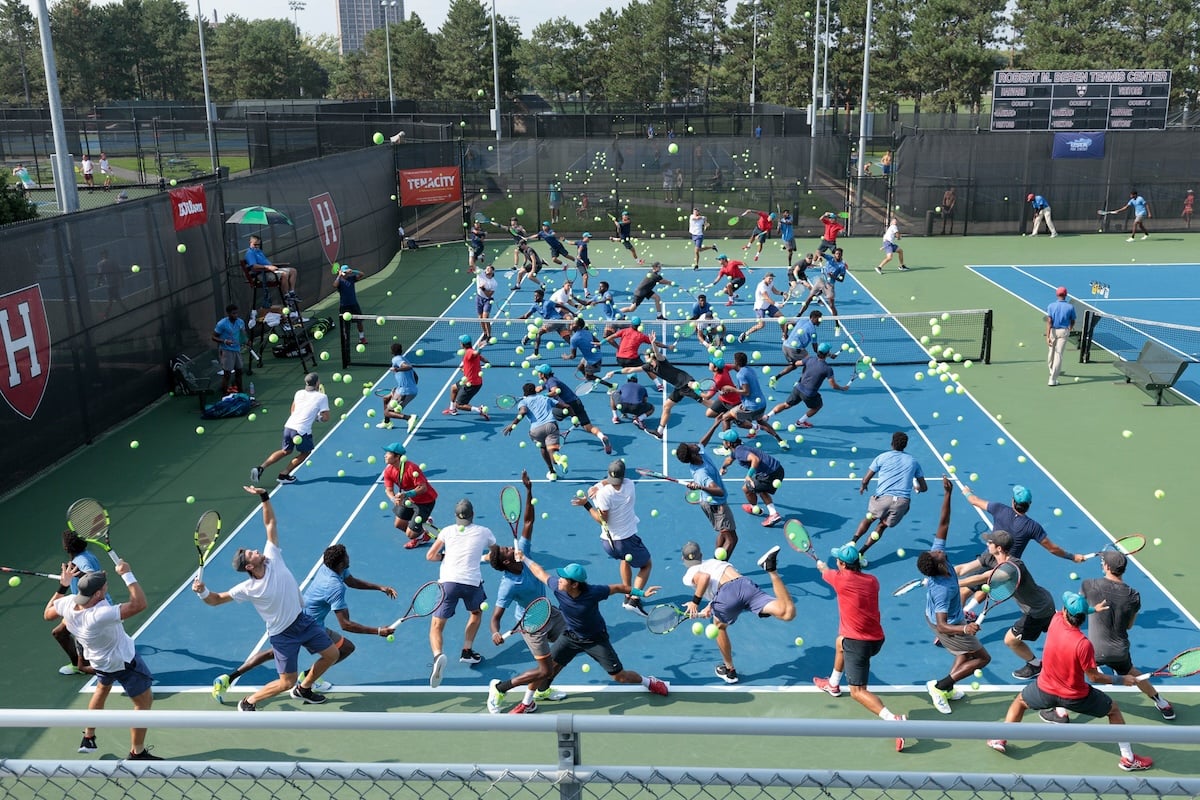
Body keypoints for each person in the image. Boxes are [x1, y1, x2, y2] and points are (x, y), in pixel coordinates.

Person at [194, 486, 340, 710]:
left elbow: (270, 523)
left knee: (332, 654)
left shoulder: (272, 558)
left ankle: (305, 688)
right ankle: (249, 701)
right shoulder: (248, 588)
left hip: (302, 621)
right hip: (282, 635)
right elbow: (215, 600)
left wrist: (264, 497)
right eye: (251, 553)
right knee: (286, 681)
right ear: (250, 565)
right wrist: (203, 591)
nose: (255, 549)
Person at [985, 592, 1153, 771]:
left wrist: (1090, 609)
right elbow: (1094, 677)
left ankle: (1000, 738)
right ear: (1081, 618)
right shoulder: (1083, 644)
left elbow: (1070, 612)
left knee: (1019, 702)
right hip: (1075, 697)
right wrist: (1122, 679)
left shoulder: (1055, 621)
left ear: (1064, 611)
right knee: (1113, 710)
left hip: (1044, 690)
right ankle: (1128, 758)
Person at [210, 544, 398, 703]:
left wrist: (379, 587)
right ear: (341, 563)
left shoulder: (330, 567)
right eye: (347, 557)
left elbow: (351, 580)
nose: (349, 558)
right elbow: (346, 625)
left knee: (273, 653)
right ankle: (304, 685)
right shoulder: (335, 587)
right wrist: (378, 630)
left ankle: (230, 678)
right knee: (343, 649)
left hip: (300, 616)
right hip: (307, 623)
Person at [45, 560, 161, 759]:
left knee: (102, 688)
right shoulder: (99, 615)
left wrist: (63, 585)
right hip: (123, 662)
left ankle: (88, 737)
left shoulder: (69, 603)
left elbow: (48, 614)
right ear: (98, 594)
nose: (106, 585)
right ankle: (137, 752)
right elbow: (139, 604)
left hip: (99, 662)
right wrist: (127, 574)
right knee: (143, 703)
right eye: (104, 585)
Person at [518, 553, 669, 696]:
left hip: (595, 639)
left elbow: (619, 588)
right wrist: (524, 558)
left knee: (619, 677)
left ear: (575, 584)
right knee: (547, 669)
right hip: (570, 636)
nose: (559, 579)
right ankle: (528, 701)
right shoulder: (558, 588)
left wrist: (642, 593)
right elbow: (539, 572)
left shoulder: (594, 592)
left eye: (563, 578)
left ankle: (649, 682)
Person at [485, 471, 569, 714]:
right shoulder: (508, 584)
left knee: (571, 643)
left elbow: (529, 522)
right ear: (505, 562)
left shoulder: (522, 550)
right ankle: (500, 688)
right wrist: (495, 633)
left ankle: (543, 689)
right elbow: (495, 618)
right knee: (544, 669)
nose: (507, 548)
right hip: (530, 624)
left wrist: (530, 491)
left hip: (548, 612)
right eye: (504, 550)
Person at [812, 543, 907, 751]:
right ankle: (833, 684)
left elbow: (825, 571)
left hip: (859, 644)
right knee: (840, 642)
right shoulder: (873, 581)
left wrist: (820, 565)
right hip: (876, 639)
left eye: (838, 559)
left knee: (857, 691)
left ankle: (894, 721)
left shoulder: (839, 579)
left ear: (842, 564)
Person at [1071, 551, 1174, 722]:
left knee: (1073, 671)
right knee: (1132, 671)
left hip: (1094, 650)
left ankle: (1060, 710)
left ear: (1106, 567)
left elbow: (1077, 610)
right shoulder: (1134, 595)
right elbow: (1129, 625)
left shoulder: (1089, 585)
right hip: (1119, 651)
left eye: (1103, 562)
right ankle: (1161, 702)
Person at [917, 476, 990, 715]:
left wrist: (948, 494)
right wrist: (964, 629)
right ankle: (940, 687)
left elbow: (943, 523)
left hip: (954, 619)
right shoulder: (941, 588)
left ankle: (947, 688)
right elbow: (942, 625)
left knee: (963, 652)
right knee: (981, 658)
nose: (938, 551)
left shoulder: (938, 558)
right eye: (936, 555)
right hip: (945, 624)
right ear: (936, 567)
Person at [681, 542, 795, 684]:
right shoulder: (714, 562)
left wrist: (694, 603)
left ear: (683, 559)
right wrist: (711, 606)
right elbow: (727, 584)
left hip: (726, 595)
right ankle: (771, 570)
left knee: (718, 627)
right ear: (702, 555)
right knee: (787, 612)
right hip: (744, 584)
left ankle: (729, 670)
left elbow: (704, 578)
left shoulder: (689, 573)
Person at [955, 530, 1056, 681]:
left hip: (1038, 610)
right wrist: (942, 576)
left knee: (1011, 640)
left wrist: (951, 585)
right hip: (1041, 603)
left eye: (990, 542)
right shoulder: (989, 557)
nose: (987, 544)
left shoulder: (1013, 567)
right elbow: (963, 569)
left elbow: (983, 577)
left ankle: (1035, 665)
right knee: (1058, 634)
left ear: (999, 548)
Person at [426, 498, 497, 685]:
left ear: (456, 517)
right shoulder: (484, 532)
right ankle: (467, 651)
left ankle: (438, 656)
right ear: (473, 515)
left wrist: (445, 556)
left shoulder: (447, 531)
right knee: (475, 613)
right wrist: (483, 557)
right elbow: (494, 554)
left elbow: (430, 556)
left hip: (448, 583)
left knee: (436, 626)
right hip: (471, 583)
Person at [571, 459, 653, 616]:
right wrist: (594, 495)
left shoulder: (603, 494)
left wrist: (587, 503)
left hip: (609, 544)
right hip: (627, 540)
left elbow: (602, 520)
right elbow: (603, 515)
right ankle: (635, 600)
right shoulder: (630, 485)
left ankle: (628, 594)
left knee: (625, 560)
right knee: (646, 565)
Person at [959, 483, 1085, 563]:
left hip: (990, 555)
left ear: (1013, 501)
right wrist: (1072, 557)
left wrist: (966, 492)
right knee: (986, 586)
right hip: (1007, 566)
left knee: (967, 589)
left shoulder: (999, 508)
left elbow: (974, 500)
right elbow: (1053, 549)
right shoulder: (1033, 527)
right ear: (1029, 505)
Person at [850, 431, 928, 559]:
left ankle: (853, 542)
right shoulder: (913, 462)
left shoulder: (882, 457)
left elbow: (865, 479)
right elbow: (924, 488)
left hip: (882, 500)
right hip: (901, 503)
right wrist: (917, 488)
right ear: (905, 445)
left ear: (891, 443)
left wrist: (863, 486)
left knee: (869, 518)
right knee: (881, 526)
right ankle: (861, 553)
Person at [250, 371, 329, 484]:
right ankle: (284, 474)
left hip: (289, 426)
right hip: (302, 431)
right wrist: (316, 417)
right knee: (305, 453)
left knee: (285, 451)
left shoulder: (299, 393)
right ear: (317, 383)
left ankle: (260, 468)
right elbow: (326, 418)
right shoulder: (322, 397)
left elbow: (293, 410)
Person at [52, 531, 108, 676]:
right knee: (60, 633)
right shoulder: (87, 555)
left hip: (89, 607)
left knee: (62, 634)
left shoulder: (80, 561)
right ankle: (81, 663)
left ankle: (83, 666)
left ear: (66, 547)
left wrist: (77, 575)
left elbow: (91, 576)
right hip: (91, 603)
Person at [532, 363, 612, 455]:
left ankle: (552, 435)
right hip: (577, 403)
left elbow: (554, 391)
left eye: (539, 372)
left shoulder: (551, 382)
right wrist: (534, 391)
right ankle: (602, 437)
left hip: (567, 406)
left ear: (542, 374)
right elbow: (541, 388)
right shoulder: (550, 381)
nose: (537, 373)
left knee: (549, 413)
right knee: (588, 426)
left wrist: (543, 396)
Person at [764, 341, 847, 428]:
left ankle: (767, 416)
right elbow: (833, 386)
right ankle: (800, 422)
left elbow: (796, 363)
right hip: (809, 394)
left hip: (798, 388)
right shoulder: (827, 369)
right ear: (827, 354)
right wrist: (843, 388)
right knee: (818, 406)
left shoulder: (809, 359)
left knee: (786, 404)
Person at [676, 441, 738, 555]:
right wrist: (700, 486)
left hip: (712, 502)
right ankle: (718, 568)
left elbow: (702, 442)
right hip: (716, 506)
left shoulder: (700, 454)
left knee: (723, 533)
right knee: (732, 539)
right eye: (691, 446)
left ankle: (715, 564)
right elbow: (719, 492)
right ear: (693, 454)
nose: (693, 444)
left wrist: (715, 424)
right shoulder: (701, 474)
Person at [714, 428, 785, 527]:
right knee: (757, 487)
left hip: (770, 473)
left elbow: (755, 459)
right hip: (778, 469)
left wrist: (748, 475)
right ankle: (756, 508)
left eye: (724, 440)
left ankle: (770, 513)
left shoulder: (739, 452)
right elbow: (729, 459)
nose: (722, 442)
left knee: (747, 488)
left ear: (729, 443)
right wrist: (723, 467)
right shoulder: (738, 449)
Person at [503, 382, 571, 480]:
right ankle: (557, 458)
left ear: (524, 393)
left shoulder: (523, 402)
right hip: (550, 426)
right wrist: (574, 416)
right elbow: (566, 406)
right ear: (534, 390)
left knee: (543, 448)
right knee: (553, 450)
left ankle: (552, 472)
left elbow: (523, 412)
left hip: (536, 431)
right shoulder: (545, 398)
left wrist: (513, 424)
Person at [722, 351, 787, 447]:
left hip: (750, 407)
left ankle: (727, 445)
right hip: (762, 404)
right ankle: (780, 441)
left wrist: (731, 389)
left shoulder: (740, 375)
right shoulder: (749, 369)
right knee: (760, 421)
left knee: (725, 418)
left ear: (736, 362)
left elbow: (746, 392)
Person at [382, 442, 439, 549]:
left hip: (425, 501)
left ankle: (418, 535)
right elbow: (388, 490)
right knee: (398, 524)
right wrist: (393, 499)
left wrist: (406, 494)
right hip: (409, 499)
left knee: (410, 535)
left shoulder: (412, 468)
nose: (385, 455)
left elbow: (423, 488)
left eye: (388, 453)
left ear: (397, 456)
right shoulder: (388, 470)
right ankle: (423, 535)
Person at [797, 248, 847, 333]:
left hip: (830, 285)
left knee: (831, 305)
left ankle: (837, 324)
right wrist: (819, 256)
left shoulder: (842, 266)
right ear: (834, 254)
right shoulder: (830, 258)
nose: (838, 255)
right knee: (809, 298)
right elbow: (818, 251)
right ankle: (798, 315)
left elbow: (841, 279)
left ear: (841, 255)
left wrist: (833, 277)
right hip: (821, 281)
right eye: (836, 253)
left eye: (839, 254)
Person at [772, 310, 823, 386]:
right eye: (819, 319)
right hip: (794, 350)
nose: (820, 321)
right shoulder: (813, 331)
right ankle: (799, 383)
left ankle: (775, 378)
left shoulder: (802, 320)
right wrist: (828, 354)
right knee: (809, 363)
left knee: (794, 366)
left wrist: (785, 334)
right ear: (814, 318)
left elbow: (786, 324)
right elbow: (816, 350)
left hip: (785, 346)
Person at [444, 335, 490, 419]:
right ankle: (452, 409)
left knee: (459, 405)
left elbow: (476, 354)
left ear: (462, 344)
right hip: (468, 380)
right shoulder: (470, 351)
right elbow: (482, 359)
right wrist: (487, 363)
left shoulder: (469, 352)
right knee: (454, 388)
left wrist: (480, 349)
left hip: (471, 384)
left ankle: (480, 410)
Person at [378, 342, 419, 433]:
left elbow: (407, 367)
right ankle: (387, 422)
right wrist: (401, 388)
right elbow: (416, 376)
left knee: (387, 412)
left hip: (405, 391)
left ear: (391, 352)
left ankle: (409, 418)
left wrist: (397, 369)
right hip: (403, 389)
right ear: (401, 351)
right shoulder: (404, 359)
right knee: (385, 399)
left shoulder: (396, 359)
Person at [245, 235, 299, 301]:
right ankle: (287, 296)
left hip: (271, 271)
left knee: (293, 271)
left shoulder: (259, 251)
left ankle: (292, 292)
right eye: (255, 244)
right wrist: (268, 267)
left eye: (258, 244)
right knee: (284, 274)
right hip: (263, 274)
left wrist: (272, 267)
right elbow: (254, 266)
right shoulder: (250, 253)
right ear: (250, 242)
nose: (257, 246)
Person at [737, 273, 787, 343]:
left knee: (782, 318)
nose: (771, 280)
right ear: (765, 278)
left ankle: (784, 335)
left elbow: (774, 291)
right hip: (760, 307)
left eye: (772, 278)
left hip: (768, 305)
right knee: (761, 325)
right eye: (769, 278)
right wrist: (777, 305)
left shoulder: (771, 283)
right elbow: (766, 298)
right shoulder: (761, 286)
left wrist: (782, 293)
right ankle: (745, 334)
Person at [211, 303, 247, 395]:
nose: (235, 315)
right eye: (233, 313)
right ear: (228, 313)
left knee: (239, 371)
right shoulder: (222, 324)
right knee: (227, 374)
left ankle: (240, 391)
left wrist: (246, 340)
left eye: (236, 313)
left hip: (237, 350)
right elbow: (213, 337)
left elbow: (242, 334)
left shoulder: (240, 322)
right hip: (226, 351)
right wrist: (224, 341)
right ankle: (225, 394)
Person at [1045, 285, 1075, 386]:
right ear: (1066, 295)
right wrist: (1070, 328)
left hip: (1053, 331)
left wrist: (1048, 335)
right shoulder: (1070, 307)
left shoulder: (1051, 306)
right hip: (1063, 331)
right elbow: (1073, 320)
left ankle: (1051, 370)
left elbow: (1049, 321)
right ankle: (1052, 379)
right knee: (1058, 355)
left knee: (1051, 352)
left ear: (1057, 294)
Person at [335, 265, 368, 345]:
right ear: (342, 273)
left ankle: (362, 338)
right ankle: (346, 340)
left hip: (354, 304)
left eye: (347, 272)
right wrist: (339, 275)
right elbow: (334, 285)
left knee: (359, 322)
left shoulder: (352, 278)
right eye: (345, 272)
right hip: (344, 306)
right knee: (345, 325)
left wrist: (353, 271)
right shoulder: (339, 281)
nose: (346, 274)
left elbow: (362, 274)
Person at [566, 317, 606, 382]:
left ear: (578, 327)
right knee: (580, 368)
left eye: (574, 324)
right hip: (594, 356)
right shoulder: (587, 331)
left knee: (590, 376)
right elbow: (598, 342)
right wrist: (596, 353)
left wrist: (566, 357)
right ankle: (589, 380)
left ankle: (611, 386)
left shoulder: (573, 339)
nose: (571, 324)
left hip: (593, 360)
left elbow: (573, 356)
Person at [475, 263, 497, 340]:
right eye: (486, 268)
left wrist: (483, 289)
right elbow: (472, 264)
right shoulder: (480, 273)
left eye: (489, 268)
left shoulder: (494, 283)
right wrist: (473, 253)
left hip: (488, 300)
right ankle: (484, 333)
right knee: (480, 318)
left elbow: (489, 295)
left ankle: (489, 335)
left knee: (485, 318)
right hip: (478, 298)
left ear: (493, 271)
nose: (486, 269)